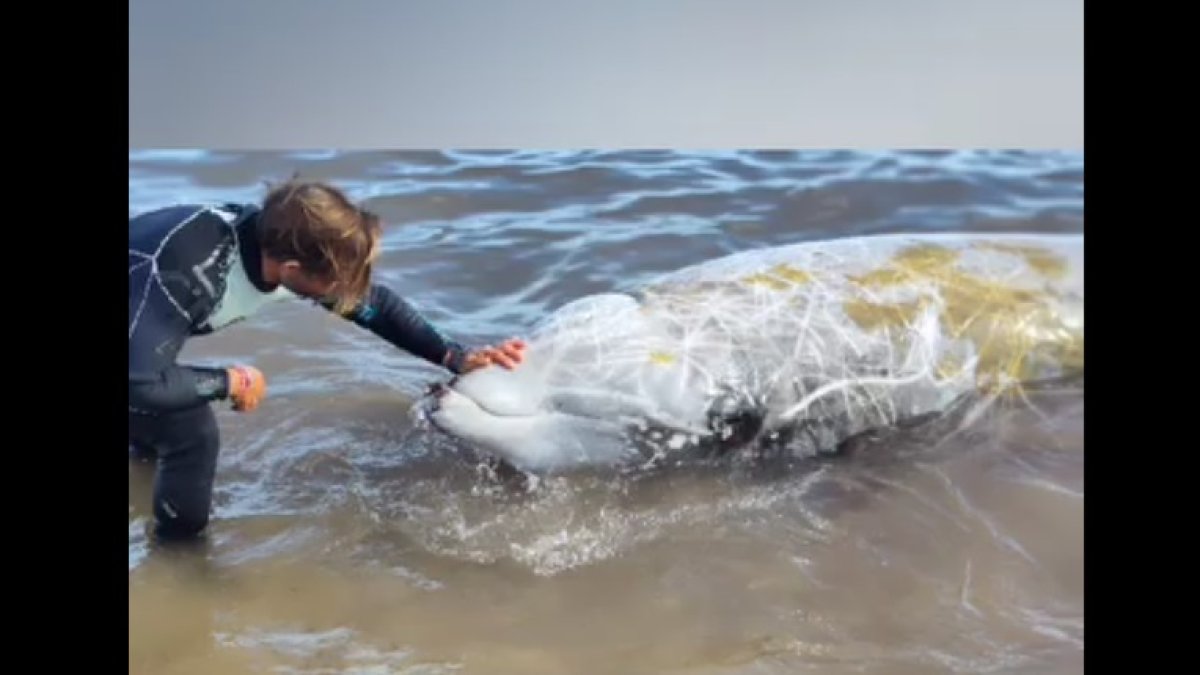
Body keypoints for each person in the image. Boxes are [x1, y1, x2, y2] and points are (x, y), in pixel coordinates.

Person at [128, 178, 526, 541]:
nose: (346, 291)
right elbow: (139, 383)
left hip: (139, 321)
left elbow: (373, 305)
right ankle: (178, 564)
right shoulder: (189, 275)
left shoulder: (280, 244)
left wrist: (456, 356)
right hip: (139, 327)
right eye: (338, 282)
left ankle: (141, 483)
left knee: (159, 418)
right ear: (292, 269)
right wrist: (229, 381)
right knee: (191, 434)